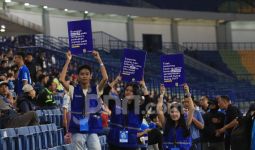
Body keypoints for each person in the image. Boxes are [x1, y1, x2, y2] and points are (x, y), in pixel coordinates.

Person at [60, 50, 108, 150]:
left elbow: (105, 78)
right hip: (77, 129)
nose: (84, 76)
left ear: (91, 76)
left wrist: (99, 59)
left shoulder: (96, 89)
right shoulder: (73, 90)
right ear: (78, 77)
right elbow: (61, 80)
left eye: (87, 74)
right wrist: (68, 60)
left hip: (91, 128)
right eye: (82, 74)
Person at [103, 75, 151, 150]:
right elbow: (104, 94)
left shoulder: (139, 109)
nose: (128, 92)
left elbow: (148, 101)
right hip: (113, 143)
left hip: (130, 145)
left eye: (131, 91)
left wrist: (143, 86)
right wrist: (115, 81)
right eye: (127, 90)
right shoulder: (116, 103)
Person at [157, 84, 194, 150]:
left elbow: (192, 109)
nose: (174, 114)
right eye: (172, 112)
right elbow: (158, 110)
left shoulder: (186, 123)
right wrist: (162, 94)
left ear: (181, 113)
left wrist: (187, 92)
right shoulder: (165, 124)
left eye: (177, 112)